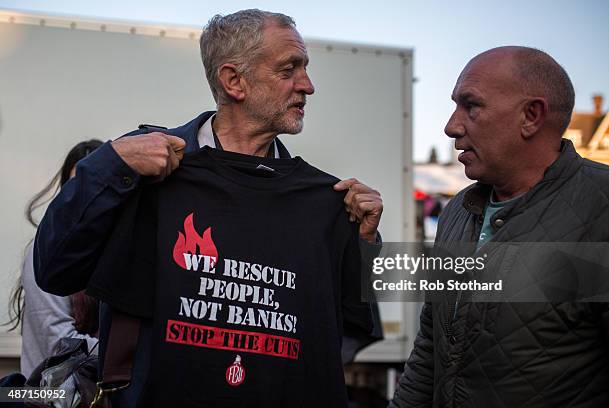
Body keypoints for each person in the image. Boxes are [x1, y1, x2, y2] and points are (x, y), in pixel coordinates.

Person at [34, 9, 383, 407]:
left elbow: (358, 327)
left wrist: (366, 244)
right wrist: (109, 165)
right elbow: (54, 269)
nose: (308, 85)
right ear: (234, 81)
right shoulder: (145, 170)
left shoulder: (326, 199)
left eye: (304, 69)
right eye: (290, 69)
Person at [389, 46, 609, 407]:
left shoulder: (602, 207)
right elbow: (431, 347)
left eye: (471, 106)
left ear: (531, 116)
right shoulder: (458, 211)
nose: (451, 126)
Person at [5, 140, 102, 379]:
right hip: (49, 396)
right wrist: (126, 354)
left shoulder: (120, 251)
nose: (86, 196)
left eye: (97, 186)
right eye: (76, 186)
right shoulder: (47, 251)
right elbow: (57, 341)